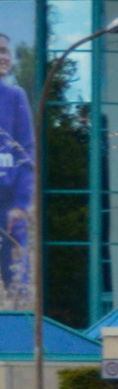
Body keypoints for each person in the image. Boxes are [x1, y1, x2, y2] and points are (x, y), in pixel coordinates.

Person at [0, 34, 34, 310]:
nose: (4, 57)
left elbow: (27, 154)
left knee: (17, 278)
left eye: (6, 52)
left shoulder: (15, 97)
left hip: (9, 201)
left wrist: (22, 204)